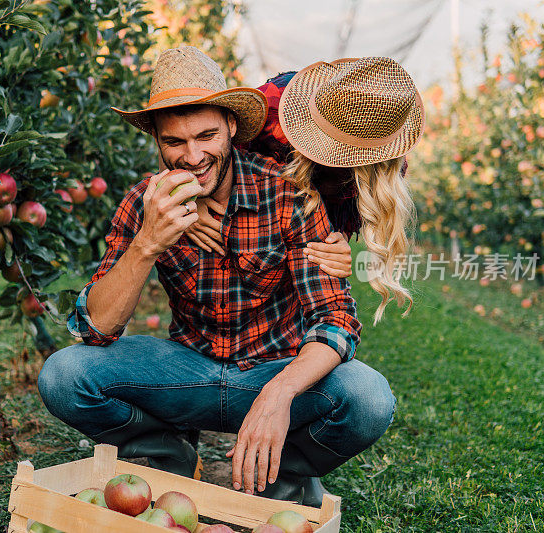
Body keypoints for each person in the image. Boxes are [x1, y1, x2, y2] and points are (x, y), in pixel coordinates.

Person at [38, 46, 402, 508]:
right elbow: (95, 328)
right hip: (187, 371)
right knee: (64, 375)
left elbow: (336, 320)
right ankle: (165, 454)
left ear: (232, 128)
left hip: (275, 368)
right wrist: (148, 242)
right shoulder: (146, 203)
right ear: (155, 139)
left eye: (207, 135)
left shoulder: (287, 193)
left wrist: (279, 393)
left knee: (367, 397)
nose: (192, 156)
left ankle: (284, 472)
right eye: (174, 142)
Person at [186, 58, 423, 323]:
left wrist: (333, 242)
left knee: (304, 297)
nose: (334, 157)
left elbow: (339, 218)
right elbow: (189, 137)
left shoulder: (383, 172)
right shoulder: (272, 107)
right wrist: (195, 195)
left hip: (303, 224)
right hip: (248, 206)